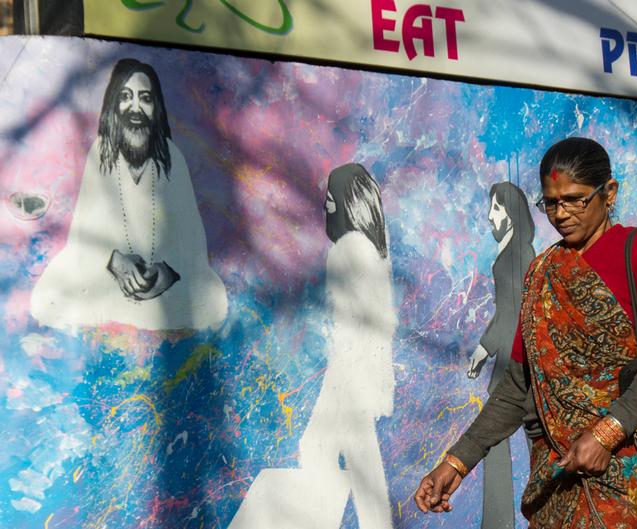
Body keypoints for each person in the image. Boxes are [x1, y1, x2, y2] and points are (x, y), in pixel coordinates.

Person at [415, 137, 637, 528]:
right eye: (550, 202)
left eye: (575, 199)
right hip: (552, 485)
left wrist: (607, 433)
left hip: (625, 483)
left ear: (608, 192)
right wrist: (457, 461)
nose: (561, 213)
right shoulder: (540, 273)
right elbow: (517, 388)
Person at [228, 163, 397, 529]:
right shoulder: (374, 249)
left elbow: (350, 328)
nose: (325, 207)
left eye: (331, 200)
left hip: (349, 375)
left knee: (322, 451)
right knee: (361, 466)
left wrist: (337, 384)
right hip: (364, 374)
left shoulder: (347, 250)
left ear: (345, 204)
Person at [30, 58, 227, 330]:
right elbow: (81, 238)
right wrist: (117, 264)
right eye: (126, 97)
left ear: (156, 108)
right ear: (114, 105)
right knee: (50, 297)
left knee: (213, 300)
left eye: (145, 98)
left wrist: (166, 272)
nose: (135, 108)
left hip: (160, 279)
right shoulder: (100, 154)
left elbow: (193, 242)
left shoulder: (172, 158)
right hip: (107, 273)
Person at [466, 182, 536, 529]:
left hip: (517, 362)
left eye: (496, 208)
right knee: (518, 438)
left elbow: (515, 314)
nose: (490, 215)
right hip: (512, 357)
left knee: (498, 438)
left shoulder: (519, 255)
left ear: (510, 213)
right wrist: (485, 347)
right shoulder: (513, 252)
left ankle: (498, 522)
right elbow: (506, 311)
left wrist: (486, 347)